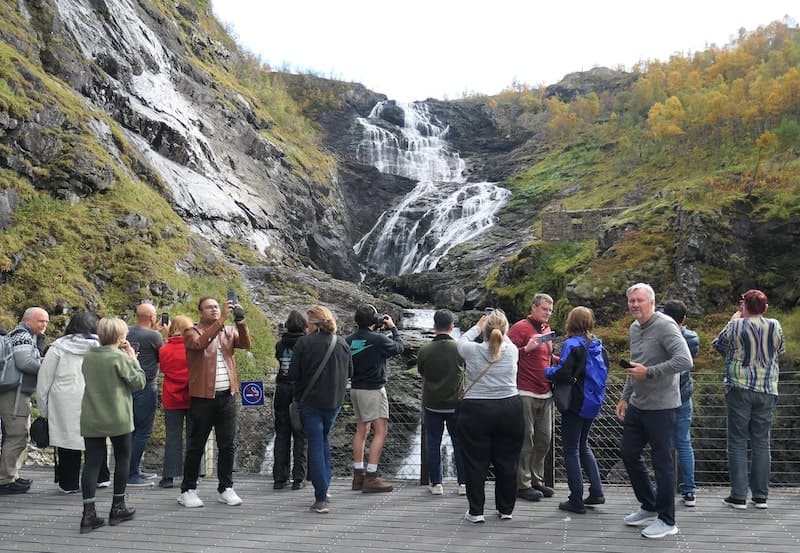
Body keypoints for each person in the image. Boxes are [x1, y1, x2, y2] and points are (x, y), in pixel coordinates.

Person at [616, 283, 693, 539]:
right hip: (638, 404)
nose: (635, 304)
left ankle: (667, 520)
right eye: (631, 301)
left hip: (662, 407)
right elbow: (634, 365)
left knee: (662, 463)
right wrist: (625, 397)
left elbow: (685, 360)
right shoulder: (634, 328)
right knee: (628, 453)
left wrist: (649, 372)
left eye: (639, 300)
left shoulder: (665, 325)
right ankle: (649, 505)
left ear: (651, 301)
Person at [712, 289, 784, 510]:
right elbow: (780, 350)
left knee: (738, 441)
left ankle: (739, 496)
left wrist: (734, 319)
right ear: (765, 308)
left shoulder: (736, 325)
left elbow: (718, 344)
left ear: (744, 307)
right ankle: (761, 496)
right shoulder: (775, 325)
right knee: (761, 441)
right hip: (768, 387)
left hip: (739, 387)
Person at [178, 295, 251, 508]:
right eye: (209, 307)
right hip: (202, 398)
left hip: (227, 396)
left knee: (227, 444)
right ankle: (188, 489)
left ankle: (226, 487)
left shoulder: (228, 331)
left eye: (217, 307)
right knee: (196, 445)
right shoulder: (192, 331)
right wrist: (220, 323)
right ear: (200, 312)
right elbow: (199, 344)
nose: (215, 310)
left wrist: (240, 321)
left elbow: (246, 343)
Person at [79, 317, 146, 533]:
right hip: (118, 416)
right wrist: (133, 358)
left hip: (92, 415)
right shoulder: (119, 357)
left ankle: (88, 514)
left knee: (91, 463)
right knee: (123, 458)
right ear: (120, 336)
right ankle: (118, 507)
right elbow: (139, 382)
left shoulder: (88, 356)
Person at [456, 309, 523, 523]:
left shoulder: (471, 350)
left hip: (476, 410)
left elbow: (462, 339)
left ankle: (476, 511)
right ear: (505, 330)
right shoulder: (512, 350)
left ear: (485, 329)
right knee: (507, 461)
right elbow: (504, 337)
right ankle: (506, 509)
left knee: (475, 462)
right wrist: (498, 322)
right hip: (510, 408)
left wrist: (478, 325)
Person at [36, 311, 111, 493]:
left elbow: (44, 381)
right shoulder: (103, 347)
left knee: (67, 440)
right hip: (94, 397)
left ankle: (68, 483)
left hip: (64, 400)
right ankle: (101, 477)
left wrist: (44, 410)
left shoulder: (58, 347)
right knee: (96, 438)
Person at [545, 306, 609, 514]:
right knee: (583, 445)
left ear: (571, 322)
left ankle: (576, 499)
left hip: (576, 402)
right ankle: (597, 492)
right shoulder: (598, 344)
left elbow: (564, 373)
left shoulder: (571, 344)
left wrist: (547, 371)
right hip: (593, 402)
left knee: (571, 449)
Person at [288, 305, 352, 514]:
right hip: (334, 403)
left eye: (308, 323)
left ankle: (321, 497)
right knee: (323, 440)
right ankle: (325, 485)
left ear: (313, 324)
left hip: (311, 403)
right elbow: (350, 371)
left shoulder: (304, 343)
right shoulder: (342, 342)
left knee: (315, 445)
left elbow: (293, 374)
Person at [346, 304, 404, 493]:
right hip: (373, 389)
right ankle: (371, 477)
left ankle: (358, 475)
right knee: (380, 430)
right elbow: (399, 348)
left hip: (355, 388)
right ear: (374, 321)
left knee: (362, 429)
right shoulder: (378, 340)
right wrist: (393, 328)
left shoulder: (348, 340)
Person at [507, 293, 557, 502]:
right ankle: (523, 484)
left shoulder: (546, 330)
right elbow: (504, 354)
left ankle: (537, 480)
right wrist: (525, 349)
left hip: (546, 391)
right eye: (545, 309)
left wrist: (563, 361)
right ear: (534, 307)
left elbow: (545, 356)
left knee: (544, 439)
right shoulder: (519, 328)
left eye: (550, 310)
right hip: (525, 391)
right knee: (526, 439)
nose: (548, 313)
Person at [417, 309, 465, 496]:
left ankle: (436, 483)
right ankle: (463, 483)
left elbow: (422, 371)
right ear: (452, 327)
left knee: (433, 443)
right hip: (456, 404)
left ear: (434, 326)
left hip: (432, 404)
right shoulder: (460, 348)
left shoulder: (425, 350)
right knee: (460, 443)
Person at [0, 307, 48, 494]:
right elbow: (25, 362)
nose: (44, 325)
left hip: (15, 391)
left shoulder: (22, 335)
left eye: (46, 321)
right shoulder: (22, 336)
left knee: (15, 434)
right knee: (16, 435)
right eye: (40, 321)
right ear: (28, 320)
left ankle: (12, 475)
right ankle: (5, 480)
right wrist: (48, 366)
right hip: (14, 393)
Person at [660, 300, 700, 507]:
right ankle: (689, 490)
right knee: (684, 442)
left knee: (662, 443)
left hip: (663, 395)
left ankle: (661, 488)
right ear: (684, 318)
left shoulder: (660, 334)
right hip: (684, 393)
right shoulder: (692, 338)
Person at [126, 301, 163, 487]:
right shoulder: (155, 336)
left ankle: (131, 470)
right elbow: (162, 357)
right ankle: (131, 473)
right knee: (142, 431)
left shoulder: (126, 331)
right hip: (146, 386)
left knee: (129, 430)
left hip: (126, 386)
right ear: (152, 317)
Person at [157, 315, 194, 489]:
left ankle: (168, 477)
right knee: (194, 436)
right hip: (193, 396)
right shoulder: (193, 347)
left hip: (172, 396)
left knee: (173, 436)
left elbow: (164, 368)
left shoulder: (164, 349)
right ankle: (195, 472)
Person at [273, 310, 308, 490]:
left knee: (282, 433)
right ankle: (298, 478)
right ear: (304, 325)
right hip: (299, 391)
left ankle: (279, 478)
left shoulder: (280, 344)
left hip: (281, 389)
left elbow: (279, 359)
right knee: (300, 434)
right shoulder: (306, 343)